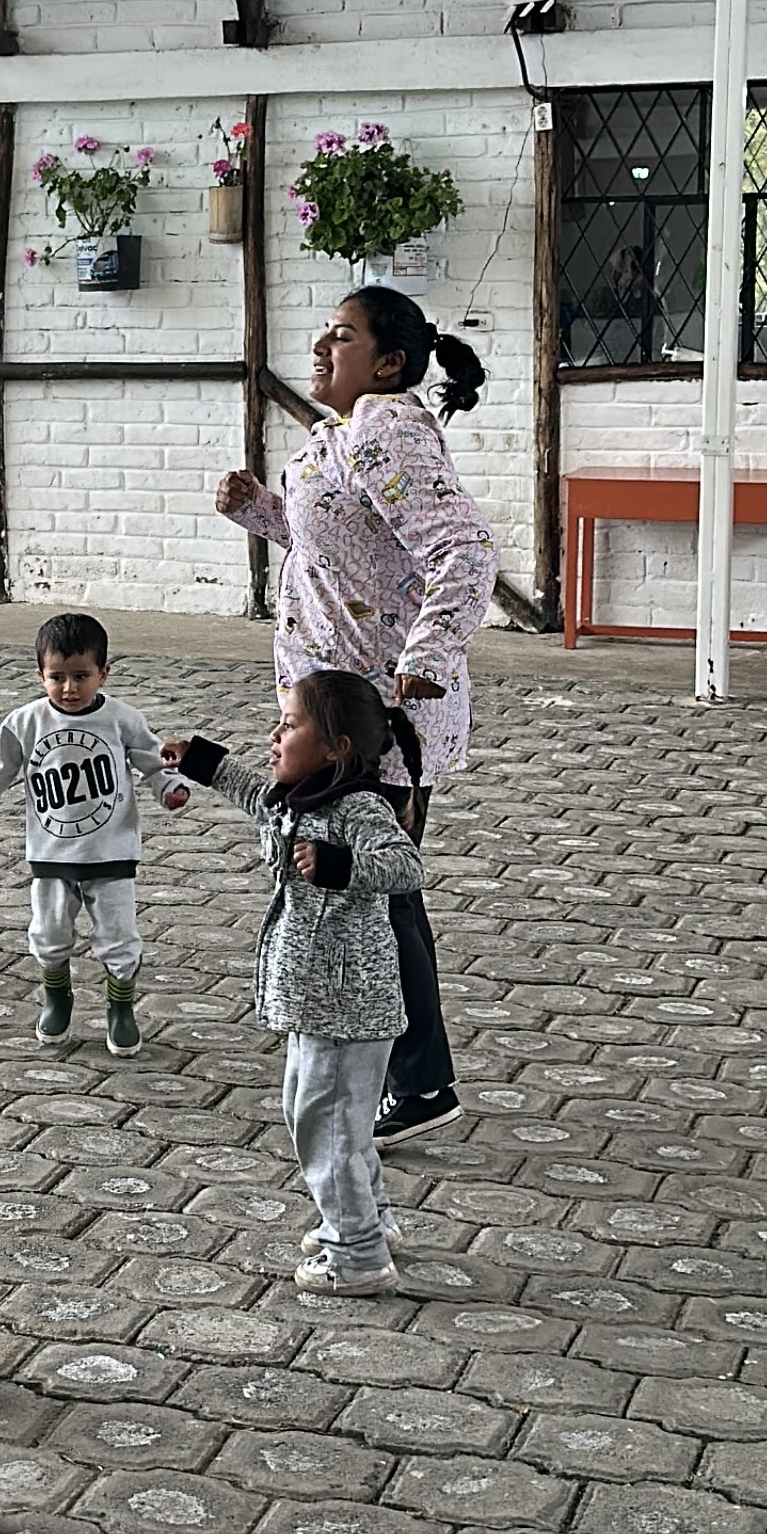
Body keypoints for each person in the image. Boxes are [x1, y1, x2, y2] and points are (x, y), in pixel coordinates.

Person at [215, 286, 496, 1146]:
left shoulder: (386, 426)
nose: (321, 347)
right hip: (335, 706)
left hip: (379, 717)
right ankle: (384, 1062)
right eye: (324, 332)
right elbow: (343, 546)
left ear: (389, 363)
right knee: (362, 891)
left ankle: (420, 1083)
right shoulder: (340, 432)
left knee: (381, 893)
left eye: (342, 336)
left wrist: (429, 656)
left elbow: (464, 550)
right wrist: (260, 511)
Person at [166, 672, 424, 1296]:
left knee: (327, 1130)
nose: (275, 735)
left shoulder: (357, 808)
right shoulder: (300, 798)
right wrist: (201, 760)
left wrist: (343, 866)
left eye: (289, 725)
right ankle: (371, 1220)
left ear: (335, 748)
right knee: (325, 1120)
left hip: (346, 1007)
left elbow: (406, 865)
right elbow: (255, 794)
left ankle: (356, 1255)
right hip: (315, 1004)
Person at [0, 612, 186, 1057]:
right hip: (51, 852)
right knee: (49, 931)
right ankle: (57, 997)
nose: (69, 688)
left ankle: (121, 1008)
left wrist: (170, 788)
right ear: (39, 674)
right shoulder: (25, 722)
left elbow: (153, 759)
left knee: (118, 935)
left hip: (111, 850)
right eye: (57, 677)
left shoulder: (121, 719)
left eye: (81, 676)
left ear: (104, 673)